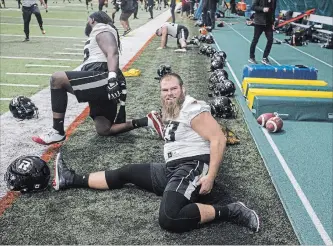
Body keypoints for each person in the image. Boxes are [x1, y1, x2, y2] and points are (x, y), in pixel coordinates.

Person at [53, 73, 260, 233]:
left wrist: (211, 176)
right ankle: (70, 179)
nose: (169, 93)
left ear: (183, 89)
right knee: (126, 172)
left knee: (170, 218)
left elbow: (218, 139)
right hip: (172, 168)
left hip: (191, 166)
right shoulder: (173, 109)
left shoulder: (192, 108)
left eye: (174, 89)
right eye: (165, 90)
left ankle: (232, 210)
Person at [32, 11, 164, 145]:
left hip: (104, 76)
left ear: (93, 20)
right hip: (102, 78)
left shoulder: (101, 28)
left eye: (87, 20)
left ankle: (57, 131)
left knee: (57, 79)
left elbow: (112, 52)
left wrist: (111, 78)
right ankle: (147, 120)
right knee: (104, 129)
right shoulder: (99, 33)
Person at [248, 0, 276, 65]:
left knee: (270, 39)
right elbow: (253, 7)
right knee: (255, 39)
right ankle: (251, 57)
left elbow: (273, 11)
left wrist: (273, 22)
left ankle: (265, 58)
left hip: (268, 23)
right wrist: (262, 9)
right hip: (259, 22)